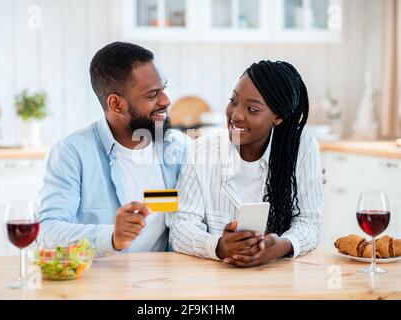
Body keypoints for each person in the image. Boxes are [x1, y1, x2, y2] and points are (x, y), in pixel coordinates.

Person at [35, 42, 190, 258]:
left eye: (163, 88)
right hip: (101, 284)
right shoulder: (72, 153)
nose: (166, 100)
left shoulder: (180, 148)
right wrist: (112, 237)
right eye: (152, 94)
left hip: (165, 282)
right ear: (116, 104)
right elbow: (46, 231)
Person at [166, 60, 323, 267]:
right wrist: (219, 246)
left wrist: (283, 245)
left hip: (277, 278)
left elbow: (310, 221)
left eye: (252, 109)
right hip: (213, 281)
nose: (236, 115)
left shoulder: (302, 147)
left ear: (278, 117)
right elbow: (180, 227)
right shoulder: (202, 151)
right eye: (233, 100)